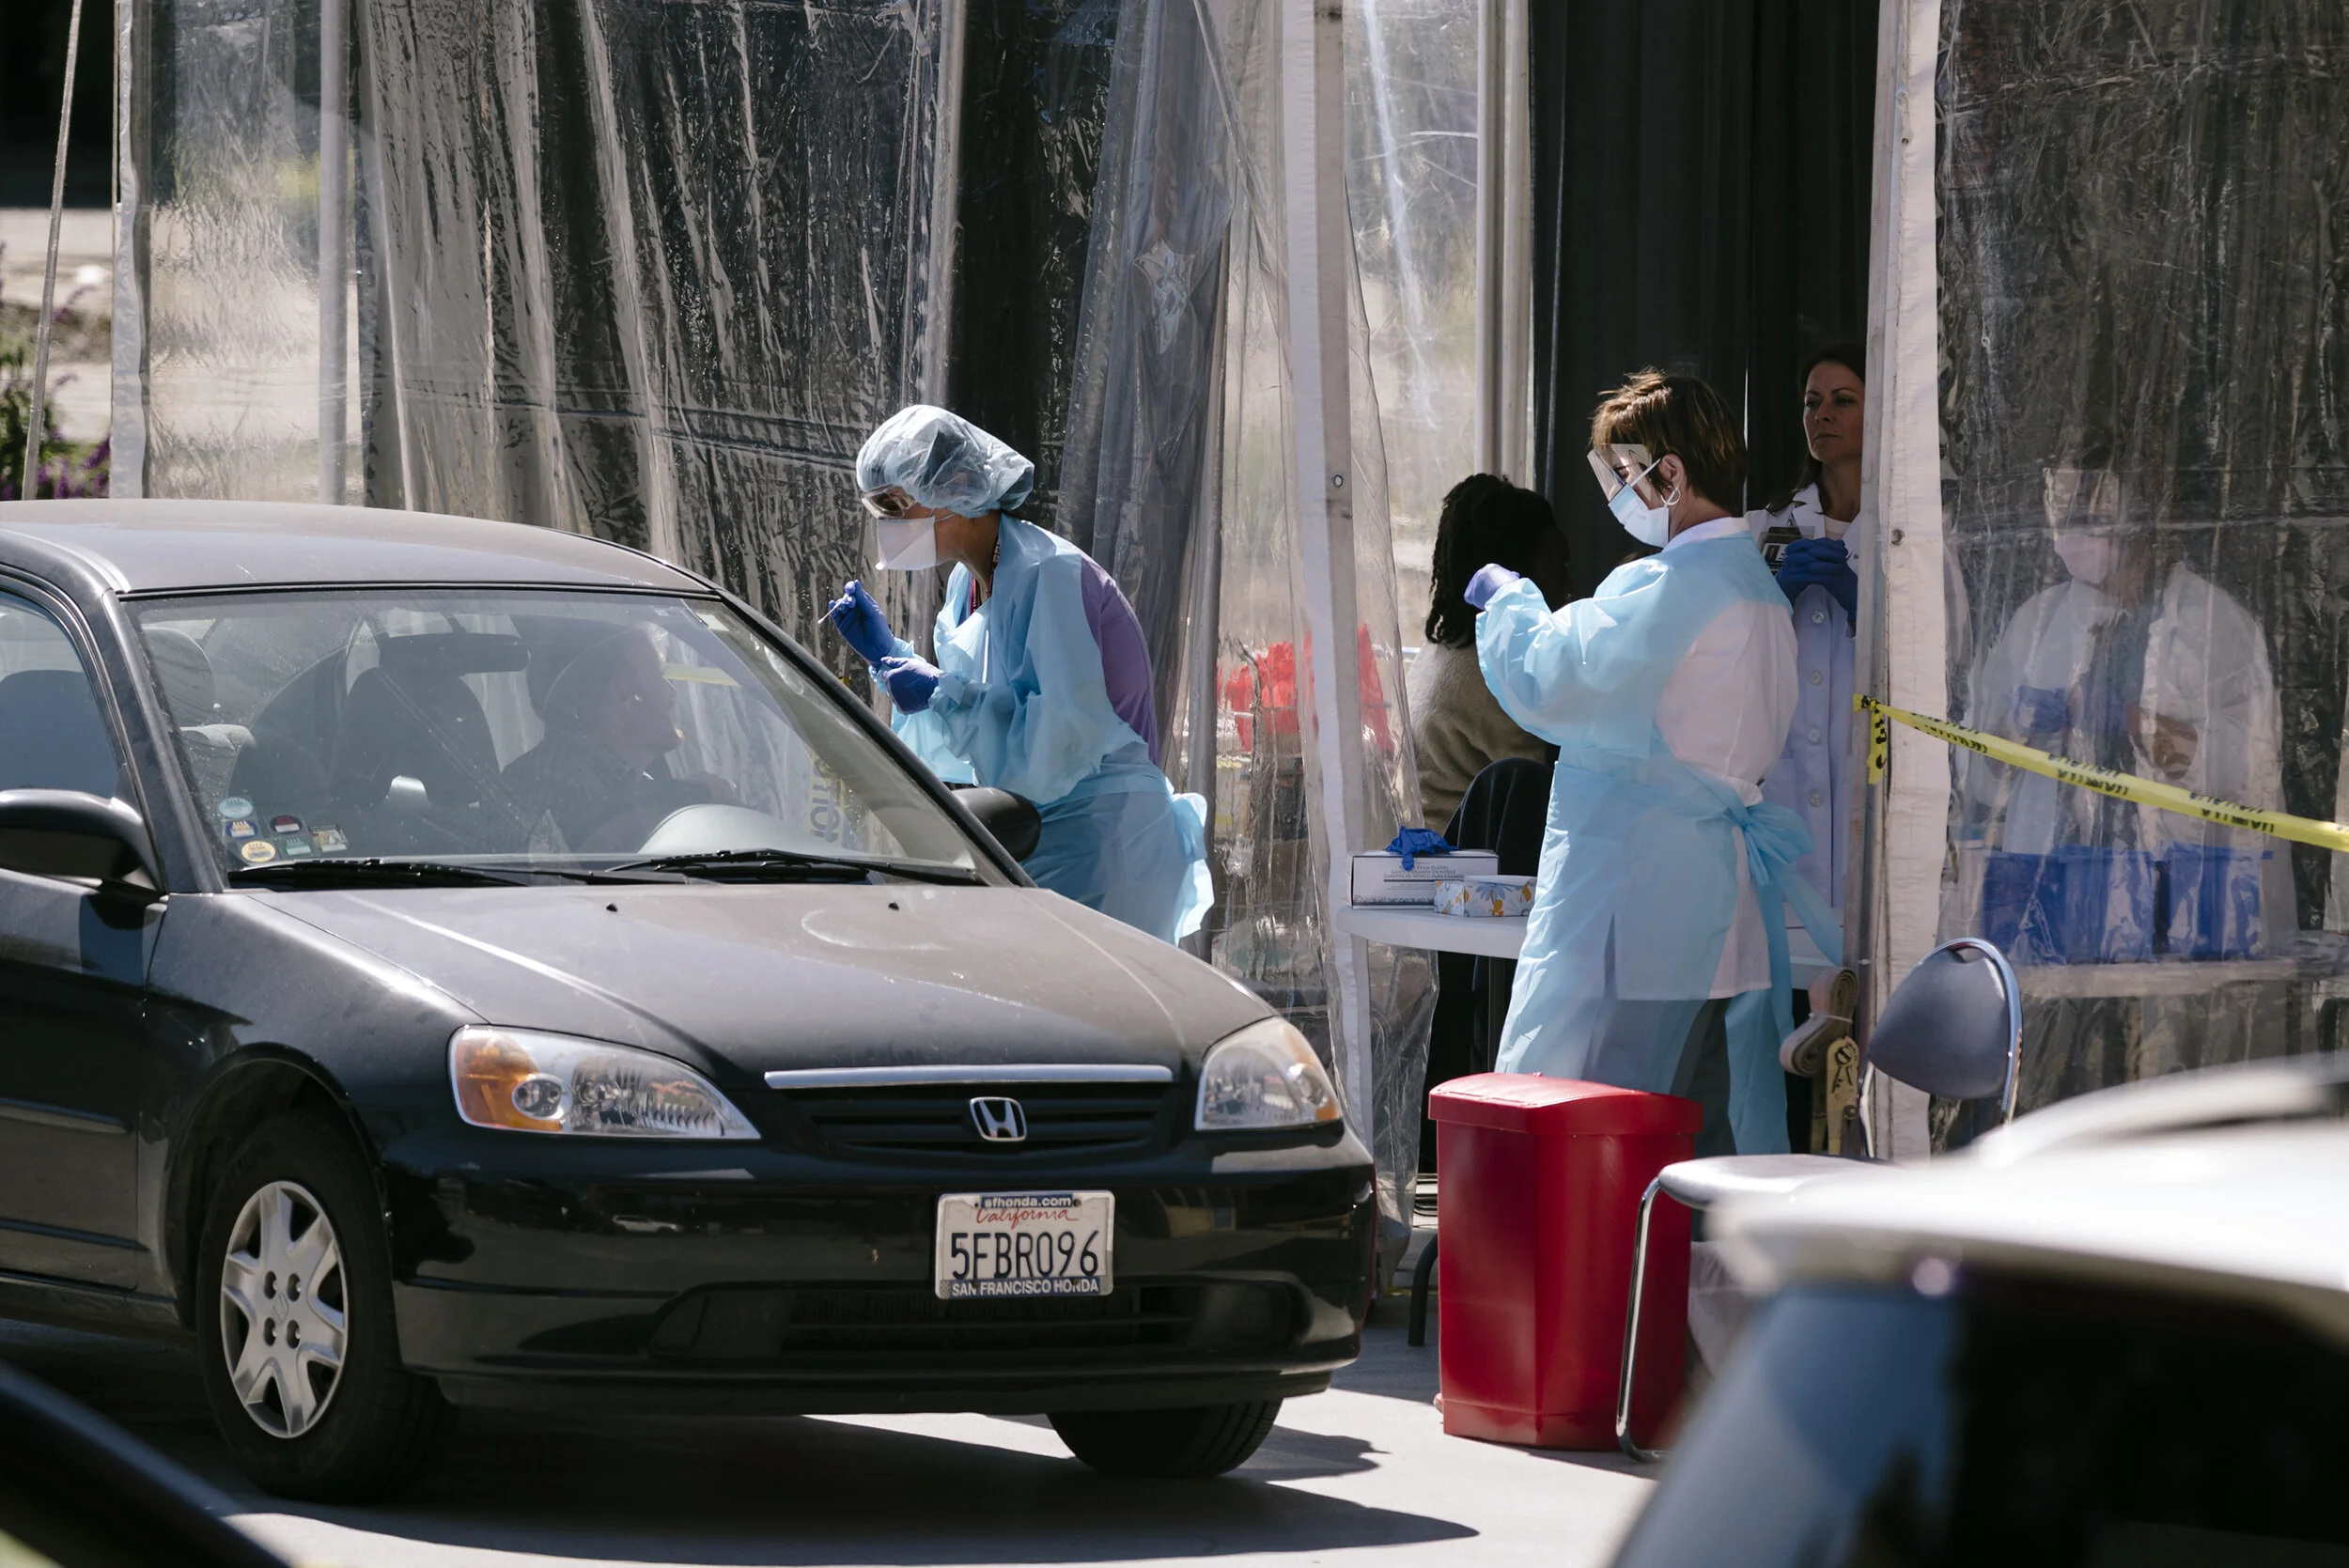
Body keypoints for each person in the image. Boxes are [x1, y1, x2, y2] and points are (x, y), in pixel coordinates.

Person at [1466, 370, 1833, 1156]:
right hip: (1716, 905)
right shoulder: (1761, 593)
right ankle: (1685, 1279)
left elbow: (1552, 677)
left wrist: (1509, 602)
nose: (1616, 497)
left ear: (1671, 473)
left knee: (1595, 1128)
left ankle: (1611, 1281)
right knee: (1699, 1128)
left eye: (1623, 476)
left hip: (1637, 910)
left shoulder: (1673, 586)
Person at [826, 405, 1211, 942]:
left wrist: (940, 693)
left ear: (956, 489)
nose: (887, 525)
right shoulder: (966, 589)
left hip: (1104, 848)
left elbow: (1055, 749)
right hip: (1035, 840)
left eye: (896, 504)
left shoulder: (1048, 575)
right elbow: (972, 747)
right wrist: (894, 662)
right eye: (878, 508)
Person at [1748, 342, 1865, 915]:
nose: (1822, 415)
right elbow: (1722, 658)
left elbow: (1947, 666)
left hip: (1864, 793)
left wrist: (1865, 608)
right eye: (1812, 402)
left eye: (1843, 401)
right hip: (1783, 793)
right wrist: (1769, 603)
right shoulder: (1762, 529)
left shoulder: (1912, 536)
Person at [1408, 474, 1573, 827]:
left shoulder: (1443, 649)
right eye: (1560, 572)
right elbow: (1544, 803)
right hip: (1461, 869)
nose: (1568, 590)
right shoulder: (1497, 675)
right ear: (1518, 574)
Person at [503, 623, 722, 849]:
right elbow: (583, 874)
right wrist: (684, 799)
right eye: (659, 674)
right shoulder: (552, 785)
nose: (672, 692)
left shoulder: (622, 781)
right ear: (623, 692)